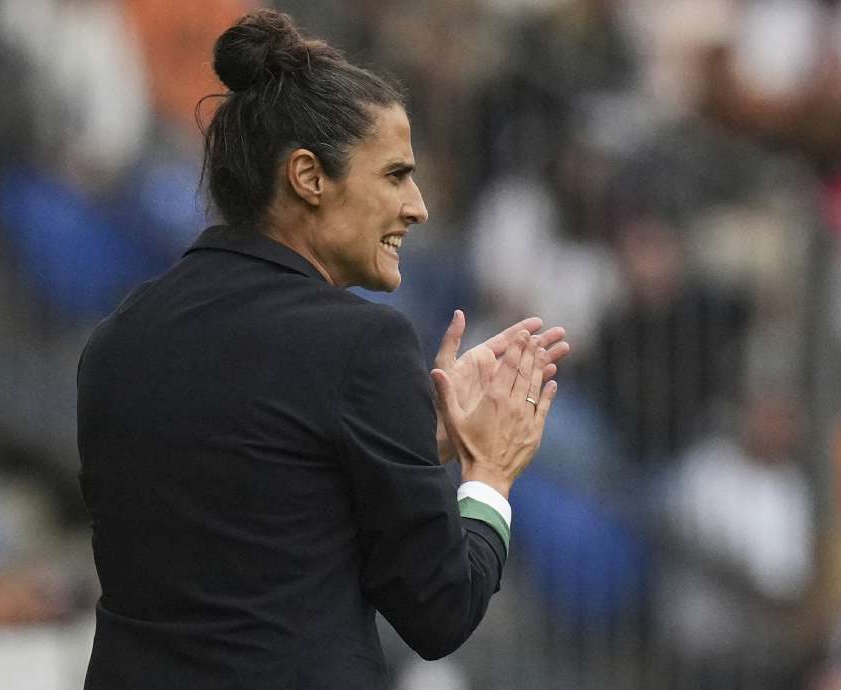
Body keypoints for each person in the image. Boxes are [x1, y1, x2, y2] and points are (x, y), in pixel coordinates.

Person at [76, 10, 570, 689]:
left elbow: (259, 498)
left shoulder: (117, 338)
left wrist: (411, 442)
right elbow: (439, 610)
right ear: (309, 177)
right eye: (395, 175)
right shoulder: (364, 342)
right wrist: (490, 473)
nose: (419, 205)